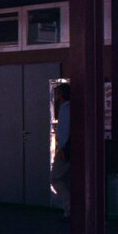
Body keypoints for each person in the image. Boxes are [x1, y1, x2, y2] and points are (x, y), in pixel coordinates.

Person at [50, 83, 71, 219]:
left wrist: (64, 148)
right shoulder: (67, 108)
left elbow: (67, 131)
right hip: (66, 147)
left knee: (55, 178)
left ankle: (69, 207)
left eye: (57, 94)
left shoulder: (66, 109)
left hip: (66, 149)